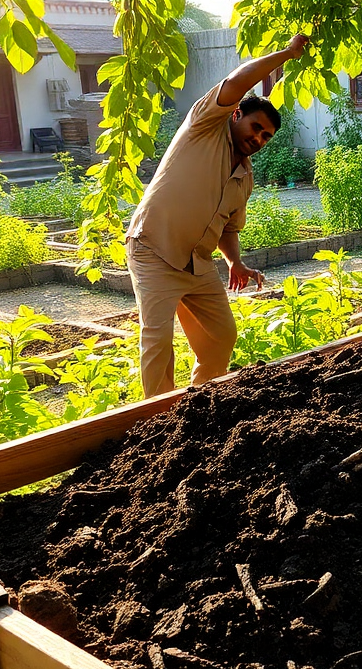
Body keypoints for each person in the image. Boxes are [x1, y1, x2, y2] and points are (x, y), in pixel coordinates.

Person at [124, 33, 310, 398]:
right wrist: (287, 54)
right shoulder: (204, 125)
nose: (258, 139)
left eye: (266, 137)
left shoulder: (245, 176)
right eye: (256, 128)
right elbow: (238, 80)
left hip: (198, 263)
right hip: (153, 250)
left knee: (221, 336)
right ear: (236, 114)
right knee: (158, 341)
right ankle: (156, 420)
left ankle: (199, 403)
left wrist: (236, 263)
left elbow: (227, 228)